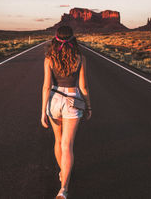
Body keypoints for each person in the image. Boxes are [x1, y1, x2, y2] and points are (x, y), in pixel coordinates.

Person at [41, 25, 92, 199]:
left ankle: (63, 172)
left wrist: (42, 112)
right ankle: (63, 189)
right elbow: (83, 86)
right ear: (72, 39)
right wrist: (88, 106)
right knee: (67, 144)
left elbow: (46, 86)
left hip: (54, 100)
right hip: (72, 99)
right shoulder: (80, 58)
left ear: (56, 39)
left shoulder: (49, 58)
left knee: (58, 140)